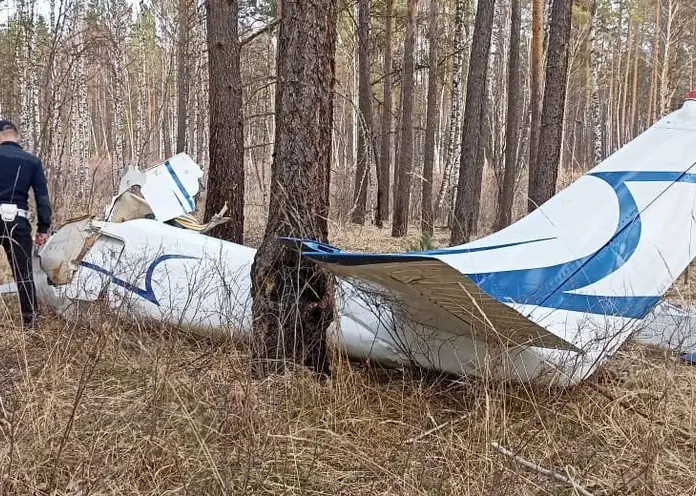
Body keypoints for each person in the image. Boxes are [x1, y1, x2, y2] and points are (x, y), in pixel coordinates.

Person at [0, 119, 52, 329]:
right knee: (24, 274)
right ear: (17, 136)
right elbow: (42, 198)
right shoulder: (31, 161)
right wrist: (43, 228)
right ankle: (30, 325)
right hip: (18, 221)